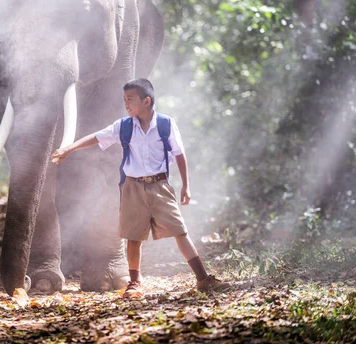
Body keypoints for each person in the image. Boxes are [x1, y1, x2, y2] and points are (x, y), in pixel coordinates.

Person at [51, 78, 229, 298]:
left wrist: (186, 186)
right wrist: (70, 148)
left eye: (130, 99)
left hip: (160, 185)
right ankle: (135, 283)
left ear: (147, 101)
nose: (126, 104)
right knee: (133, 237)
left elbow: (180, 154)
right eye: (124, 99)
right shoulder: (123, 126)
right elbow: (97, 137)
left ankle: (203, 279)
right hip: (133, 187)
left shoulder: (166, 124)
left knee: (180, 232)